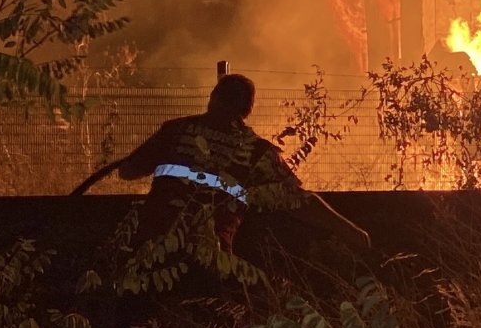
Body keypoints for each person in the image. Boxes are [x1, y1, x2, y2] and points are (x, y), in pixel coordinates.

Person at [117, 73, 370, 253]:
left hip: (149, 249)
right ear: (248, 109)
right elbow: (300, 200)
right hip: (208, 254)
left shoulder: (175, 130)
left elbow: (128, 171)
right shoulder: (256, 151)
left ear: (212, 98)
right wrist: (351, 232)